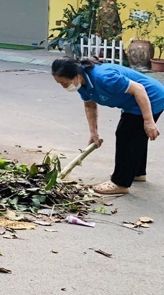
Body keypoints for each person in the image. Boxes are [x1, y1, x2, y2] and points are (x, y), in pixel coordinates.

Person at [52, 56, 164, 195]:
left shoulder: (104, 77)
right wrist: (94, 133)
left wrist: (148, 121)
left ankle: (120, 183)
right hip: (132, 102)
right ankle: (136, 173)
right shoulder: (82, 84)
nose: (64, 87)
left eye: (64, 83)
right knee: (135, 136)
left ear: (77, 75)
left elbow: (139, 89)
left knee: (126, 135)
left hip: (151, 96)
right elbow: (90, 106)